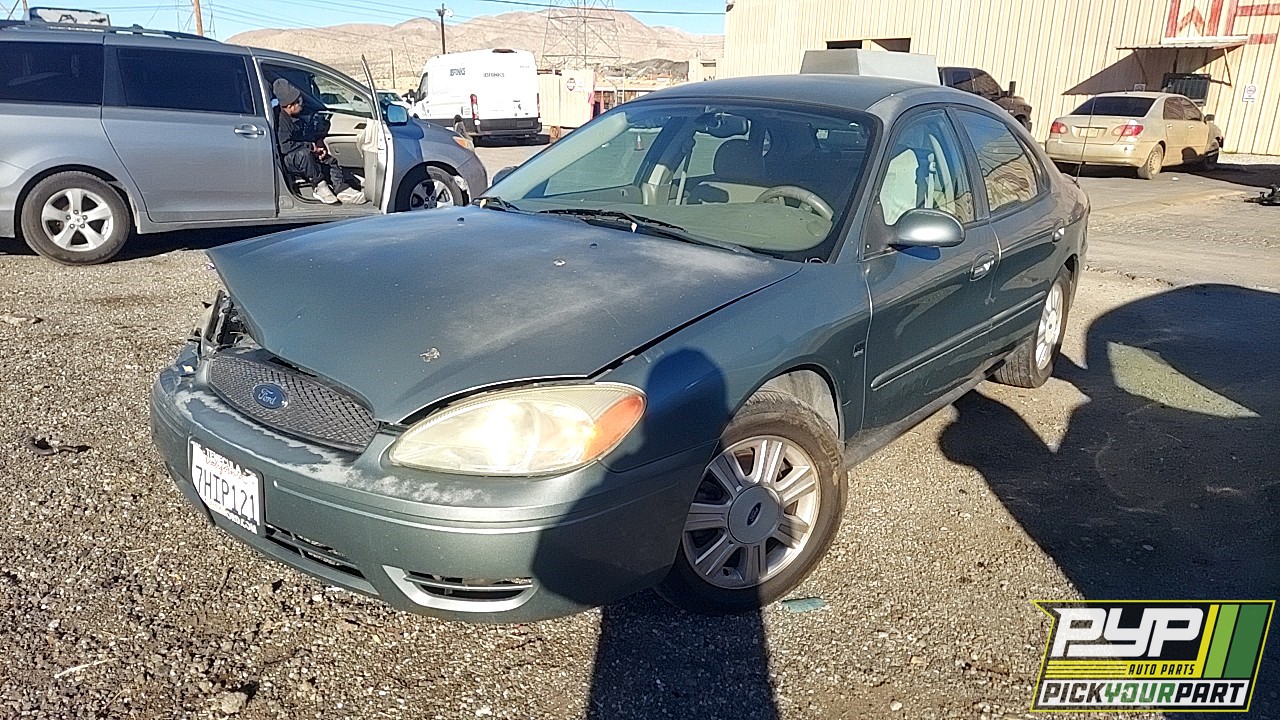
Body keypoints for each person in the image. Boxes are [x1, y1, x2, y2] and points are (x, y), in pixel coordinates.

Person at [272, 78, 366, 205]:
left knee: (329, 160)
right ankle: (319, 186)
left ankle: (342, 189)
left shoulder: (299, 116)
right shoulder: (280, 121)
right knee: (305, 155)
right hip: (290, 159)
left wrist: (317, 145)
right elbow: (284, 146)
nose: (302, 103)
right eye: (299, 101)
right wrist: (310, 147)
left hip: (305, 153)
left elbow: (308, 134)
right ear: (290, 106)